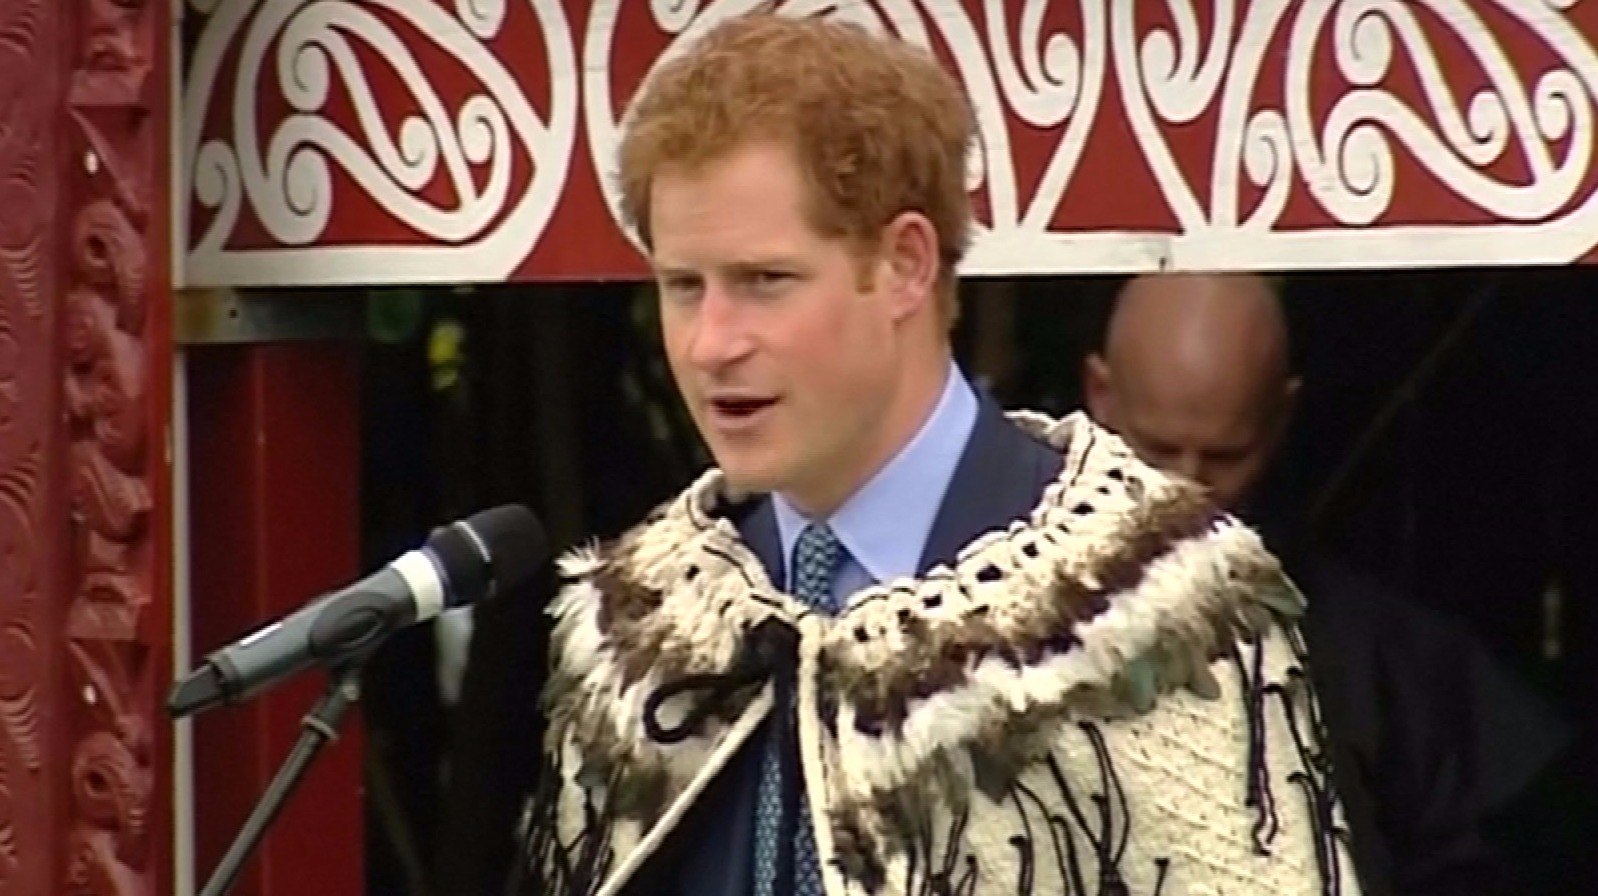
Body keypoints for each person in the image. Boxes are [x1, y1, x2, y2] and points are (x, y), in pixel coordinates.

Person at [514, 15, 1366, 896]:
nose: (710, 344)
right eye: (683, 286)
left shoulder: (1154, 602)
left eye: (765, 281)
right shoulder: (635, 627)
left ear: (906, 266)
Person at [1082, 272, 1574, 896]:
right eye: (1157, 450)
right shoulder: (1000, 620)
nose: (1189, 487)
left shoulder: (1385, 660)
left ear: (1281, 416)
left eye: (1226, 456)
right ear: (1100, 395)